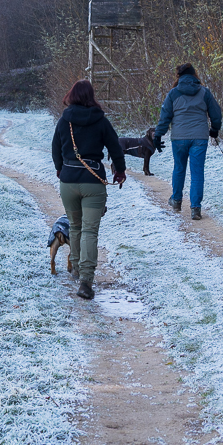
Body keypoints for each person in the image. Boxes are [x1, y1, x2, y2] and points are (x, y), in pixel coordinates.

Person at [51, 79, 126, 300]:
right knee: (90, 232)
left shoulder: (64, 121)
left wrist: (60, 170)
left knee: (74, 227)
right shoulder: (101, 121)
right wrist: (119, 171)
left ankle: (75, 268)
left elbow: (55, 149)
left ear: (72, 95)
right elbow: (116, 148)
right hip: (94, 182)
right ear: (91, 96)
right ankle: (86, 281)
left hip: (69, 181)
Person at [153, 63, 223, 221]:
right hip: (200, 137)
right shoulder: (204, 92)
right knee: (197, 172)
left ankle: (176, 201)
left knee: (179, 168)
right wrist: (215, 129)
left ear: (179, 77)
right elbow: (216, 113)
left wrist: (158, 135)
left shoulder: (173, 93)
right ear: (194, 75)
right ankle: (196, 208)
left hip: (179, 138)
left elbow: (165, 117)